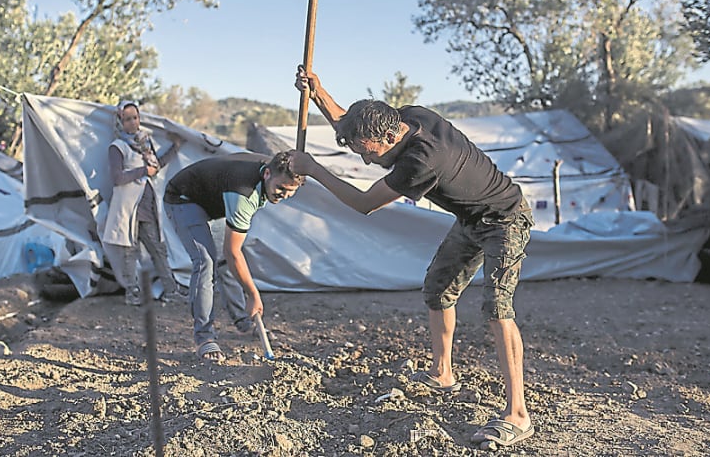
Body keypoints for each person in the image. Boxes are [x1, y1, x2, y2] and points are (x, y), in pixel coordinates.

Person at [289, 67, 535, 450]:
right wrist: (319, 93)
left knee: (497, 308)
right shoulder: (407, 117)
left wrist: (314, 169)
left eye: (366, 152)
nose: (366, 161)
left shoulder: (422, 161)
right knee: (438, 289)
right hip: (470, 218)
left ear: (389, 136)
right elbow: (352, 123)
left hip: (505, 219)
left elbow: (364, 203)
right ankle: (442, 373)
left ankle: (518, 414)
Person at [163, 151, 304, 362]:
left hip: (215, 200)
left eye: (290, 191)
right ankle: (204, 337)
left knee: (226, 263)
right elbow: (233, 252)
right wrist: (253, 294)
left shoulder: (272, 168)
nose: (283, 194)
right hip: (183, 197)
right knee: (205, 261)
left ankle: (244, 322)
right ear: (267, 174)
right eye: (281, 188)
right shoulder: (243, 194)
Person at [102, 100, 182, 306]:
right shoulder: (117, 147)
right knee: (129, 251)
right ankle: (132, 293)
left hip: (146, 206)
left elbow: (156, 165)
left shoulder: (144, 143)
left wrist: (175, 147)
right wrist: (143, 171)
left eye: (135, 118)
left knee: (157, 248)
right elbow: (117, 178)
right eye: (127, 119)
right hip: (128, 208)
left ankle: (171, 290)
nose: (132, 123)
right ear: (120, 121)